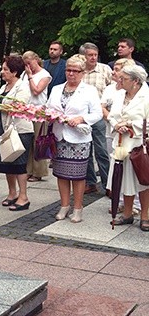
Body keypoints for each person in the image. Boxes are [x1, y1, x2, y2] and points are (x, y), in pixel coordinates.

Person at [46, 56, 102, 223]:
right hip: (59, 135)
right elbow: (48, 107)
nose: (70, 74)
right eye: (68, 70)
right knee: (61, 173)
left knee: (77, 175)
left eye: (75, 71)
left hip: (79, 138)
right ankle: (64, 205)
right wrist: (50, 116)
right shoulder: (56, 88)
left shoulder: (89, 90)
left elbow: (97, 114)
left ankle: (78, 207)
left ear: (82, 73)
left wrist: (81, 118)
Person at [106, 65, 149, 231]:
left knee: (143, 182)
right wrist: (117, 125)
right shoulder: (119, 95)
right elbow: (111, 116)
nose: (119, 80)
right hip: (120, 144)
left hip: (139, 146)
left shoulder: (146, 97)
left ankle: (145, 216)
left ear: (135, 81)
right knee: (123, 179)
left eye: (123, 78)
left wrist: (130, 124)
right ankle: (127, 214)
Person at [0, 55, 34, 211]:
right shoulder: (4, 87)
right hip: (4, 128)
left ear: (15, 72)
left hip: (19, 130)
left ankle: (24, 197)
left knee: (19, 164)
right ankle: (12, 193)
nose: (2, 72)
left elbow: (18, 107)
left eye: (5, 69)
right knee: (6, 162)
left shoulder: (22, 87)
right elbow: (0, 103)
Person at [81, 42, 112, 195]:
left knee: (101, 151)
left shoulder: (105, 69)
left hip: (99, 115)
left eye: (95, 55)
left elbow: (115, 90)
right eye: (90, 55)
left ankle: (108, 184)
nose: (93, 58)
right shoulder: (80, 71)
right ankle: (90, 182)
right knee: (85, 150)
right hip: (83, 117)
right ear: (83, 56)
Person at [22, 50, 52, 183]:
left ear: (36, 59)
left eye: (30, 63)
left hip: (39, 111)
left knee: (38, 142)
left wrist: (29, 76)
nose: (28, 66)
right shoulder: (25, 74)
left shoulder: (44, 75)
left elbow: (36, 91)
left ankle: (39, 171)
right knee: (28, 141)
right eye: (26, 64)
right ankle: (29, 169)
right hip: (27, 111)